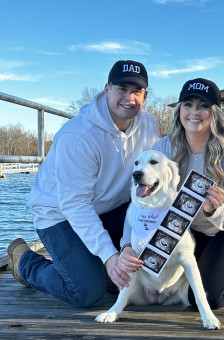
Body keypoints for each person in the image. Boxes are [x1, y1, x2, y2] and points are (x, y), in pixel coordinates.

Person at [7, 60, 158, 307]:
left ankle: (101, 267)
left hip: (112, 207)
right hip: (59, 214)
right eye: (122, 88)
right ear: (107, 89)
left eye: (137, 91)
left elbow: (152, 175)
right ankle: (24, 262)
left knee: (151, 263)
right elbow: (75, 205)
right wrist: (110, 256)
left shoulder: (149, 124)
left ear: (146, 96)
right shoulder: (79, 135)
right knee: (86, 291)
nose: (129, 98)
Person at [119, 78, 224, 310]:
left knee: (211, 297)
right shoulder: (163, 148)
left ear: (214, 113)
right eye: (188, 104)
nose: (194, 112)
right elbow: (138, 203)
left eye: (203, 105)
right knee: (188, 289)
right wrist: (127, 246)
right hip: (194, 226)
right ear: (179, 111)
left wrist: (215, 209)